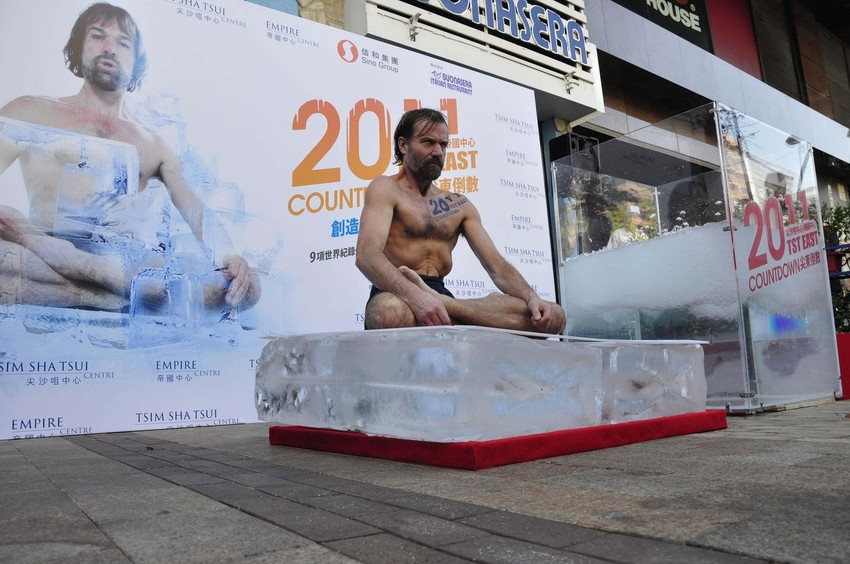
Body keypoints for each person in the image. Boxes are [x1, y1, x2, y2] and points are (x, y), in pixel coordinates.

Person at [0, 2, 259, 312]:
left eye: (123, 43)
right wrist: (26, 233)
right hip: (45, 251)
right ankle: (114, 299)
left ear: (137, 62)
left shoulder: (154, 143)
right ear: (79, 47)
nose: (109, 48)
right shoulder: (30, 111)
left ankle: (79, 271)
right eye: (98, 36)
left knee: (246, 288)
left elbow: (196, 211)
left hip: (115, 261)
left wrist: (229, 254)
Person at [355, 108, 566, 334]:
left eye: (443, 145)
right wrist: (415, 296)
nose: (437, 151)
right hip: (395, 291)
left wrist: (530, 297)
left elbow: (498, 268)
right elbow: (367, 255)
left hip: (441, 295)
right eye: (427, 142)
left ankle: (448, 306)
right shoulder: (386, 188)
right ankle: (456, 313)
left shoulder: (458, 205)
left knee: (552, 317)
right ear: (403, 145)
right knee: (389, 313)